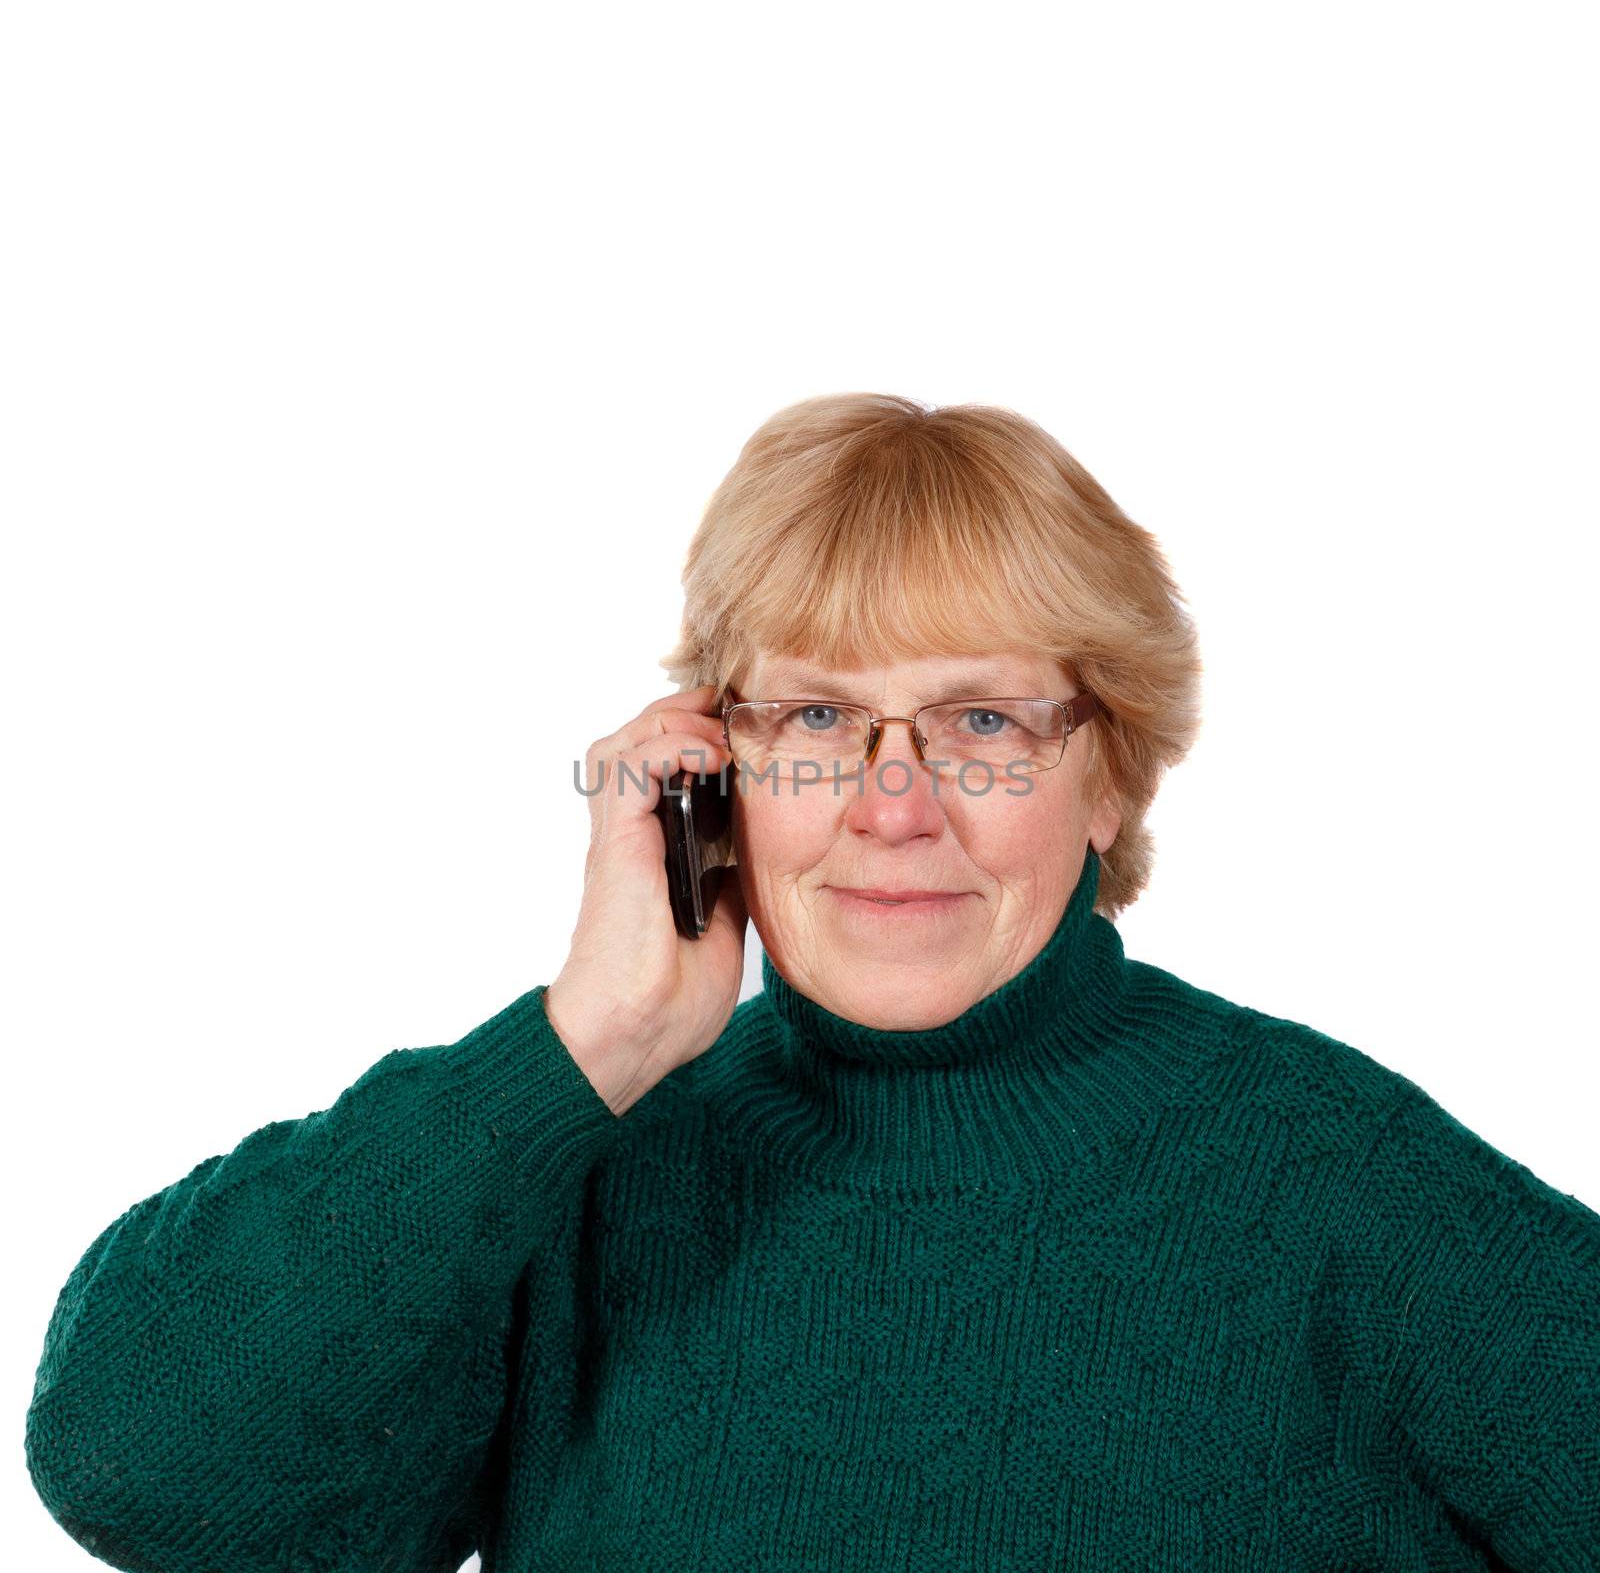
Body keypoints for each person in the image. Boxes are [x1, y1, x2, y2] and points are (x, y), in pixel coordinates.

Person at [26, 392, 1599, 1570]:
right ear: (705, 766)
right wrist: (585, 1041)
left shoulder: (1336, 1185)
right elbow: (131, 1464)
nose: (892, 804)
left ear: (1109, 777)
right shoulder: (573, 1164)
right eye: (818, 722)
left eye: (985, 724)